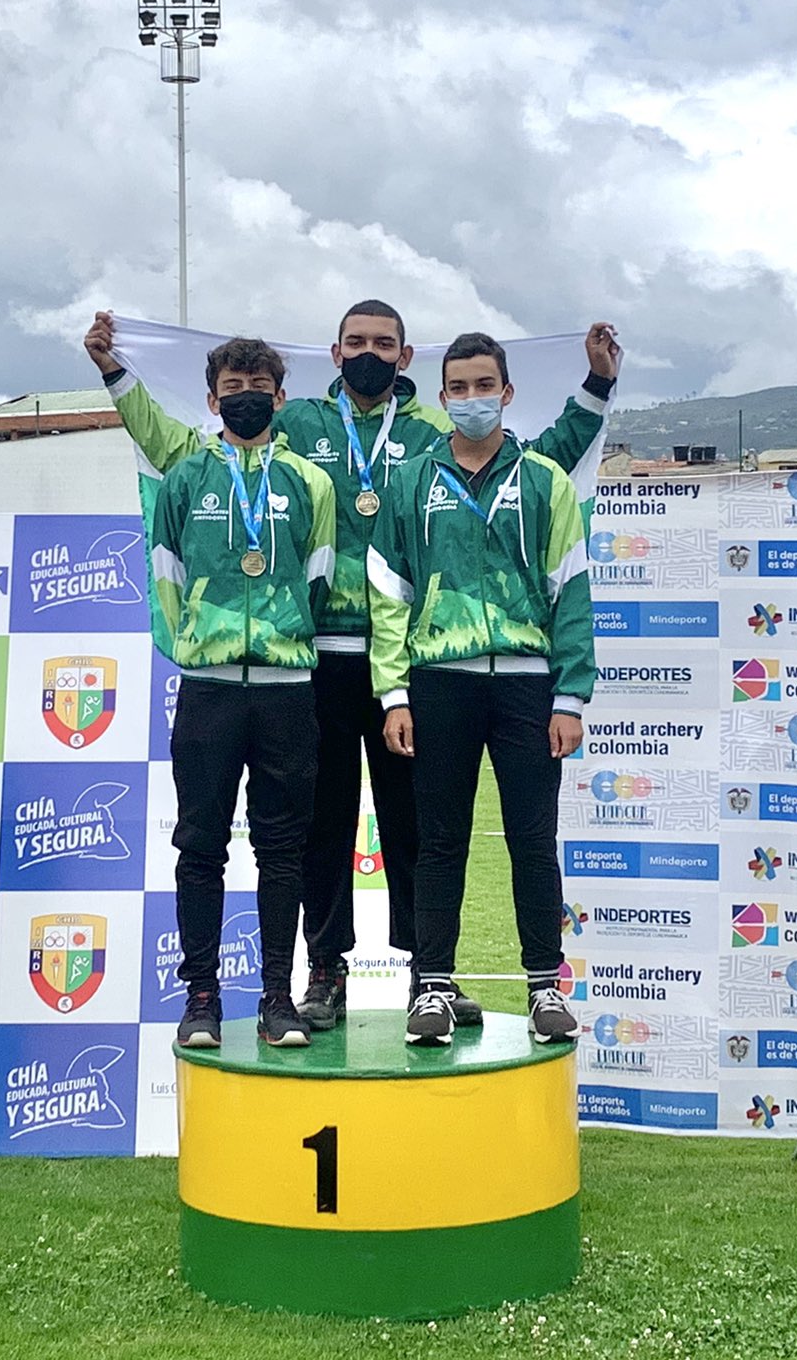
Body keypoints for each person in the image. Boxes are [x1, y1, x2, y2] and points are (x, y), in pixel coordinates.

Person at [85, 306, 619, 1029]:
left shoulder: (435, 431)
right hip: (322, 660)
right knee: (321, 824)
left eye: (384, 344)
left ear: (405, 356)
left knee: (416, 824)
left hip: (411, 664)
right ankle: (326, 970)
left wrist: (594, 385)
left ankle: (424, 973)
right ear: (335, 353)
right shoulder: (298, 424)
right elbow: (183, 445)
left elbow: (541, 451)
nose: (369, 354)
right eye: (357, 343)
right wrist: (118, 375)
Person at [367, 332, 595, 1047]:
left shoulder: (545, 483)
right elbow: (388, 594)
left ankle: (544, 988)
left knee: (534, 840)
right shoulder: (412, 483)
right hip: (439, 682)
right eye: (459, 388)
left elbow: (572, 593)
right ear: (441, 398)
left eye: (484, 385)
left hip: (528, 686)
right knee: (438, 842)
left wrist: (570, 697)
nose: (472, 399)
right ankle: (431, 985)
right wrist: (393, 693)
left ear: (508, 392)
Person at [148, 338, 337, 1047]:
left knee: (282, 849)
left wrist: (282, 635)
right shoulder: (184, 481)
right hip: (209, 688)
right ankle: (201, 999)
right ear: (212, 398)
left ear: (280, 396)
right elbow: (165, 577)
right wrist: (201, 641)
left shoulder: (308, 483)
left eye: (260, 382)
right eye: (234, 383)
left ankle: (277, 999)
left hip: (288, 688)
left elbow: (315, 580)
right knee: (200, 846)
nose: (247, 392)